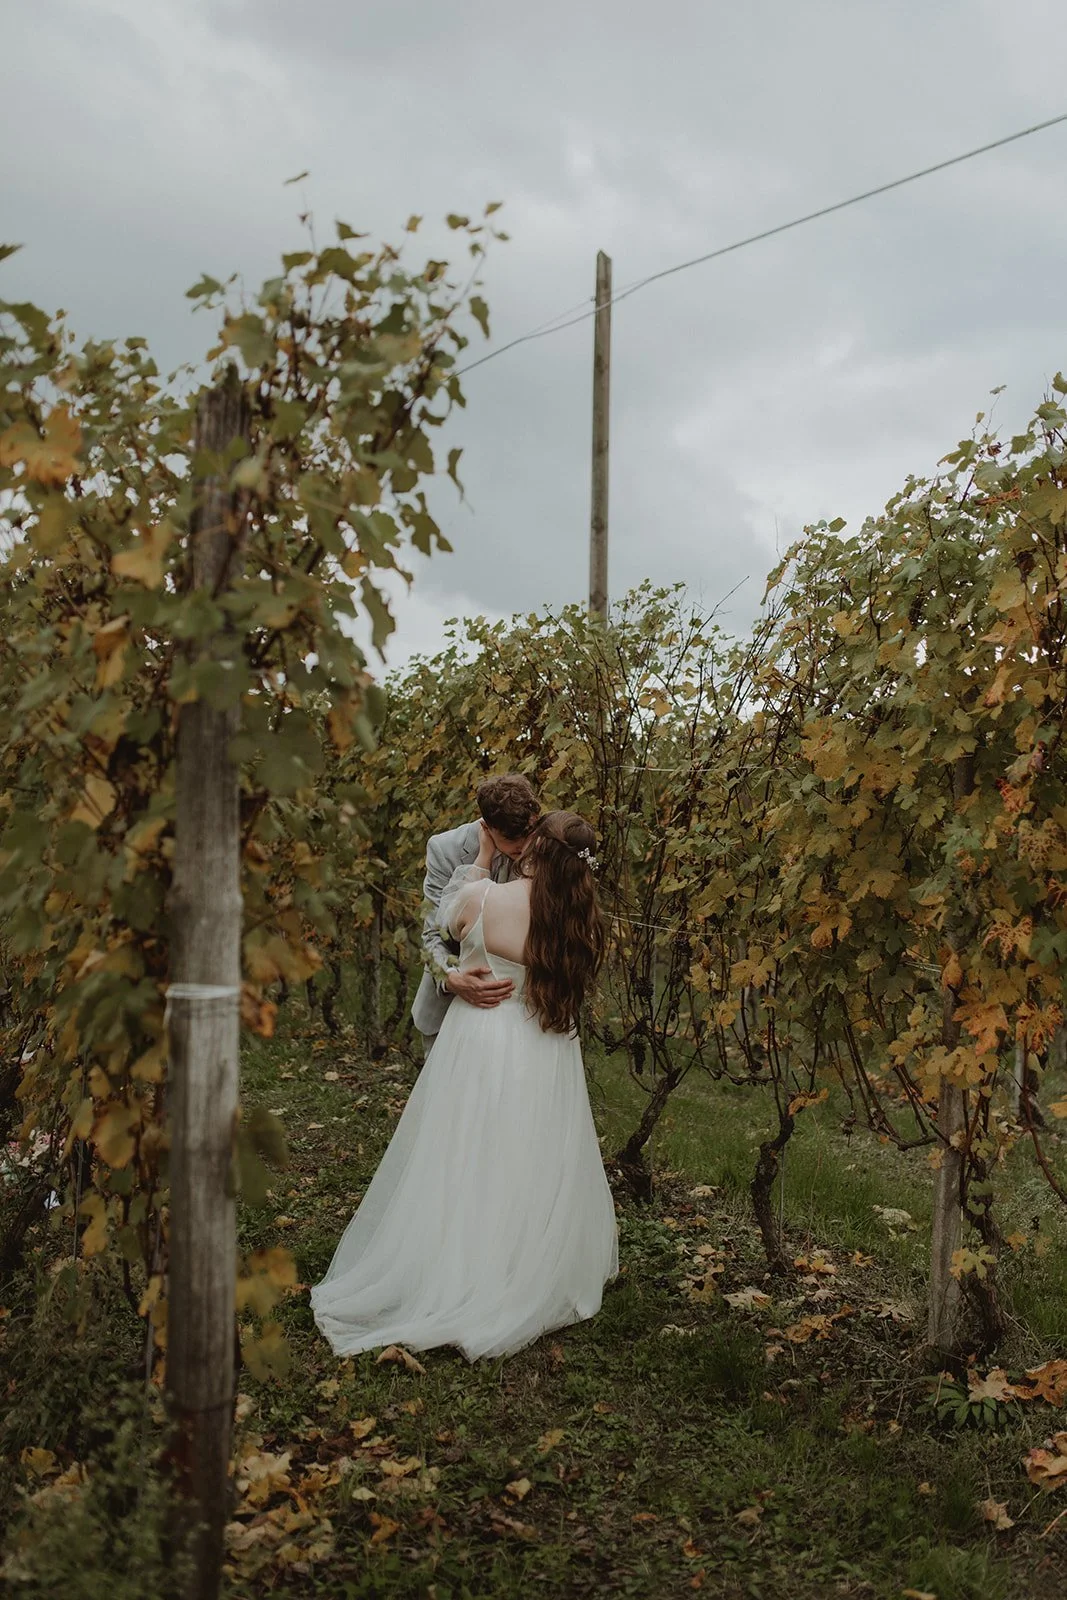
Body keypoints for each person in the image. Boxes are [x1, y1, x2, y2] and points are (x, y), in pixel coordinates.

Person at [310, 810, 619, 1363]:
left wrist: (480, 861)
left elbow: (445, 922)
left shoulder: (482, 898)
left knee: (465, 1149)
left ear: (536, 848)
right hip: (545, 1043)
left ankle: (456, 1263)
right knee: (529, 1155)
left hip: (484, 1036)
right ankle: (520, 1264)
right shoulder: (579, 920)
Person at [411, 773, 541, 1059]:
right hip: (451, 1009)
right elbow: (433, 934)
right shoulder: (445, 849)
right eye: (511, 839)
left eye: (527, 834)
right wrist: (451, 978)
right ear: (487, 826)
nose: (523, 847)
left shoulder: (545, 843)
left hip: (521, 1013)